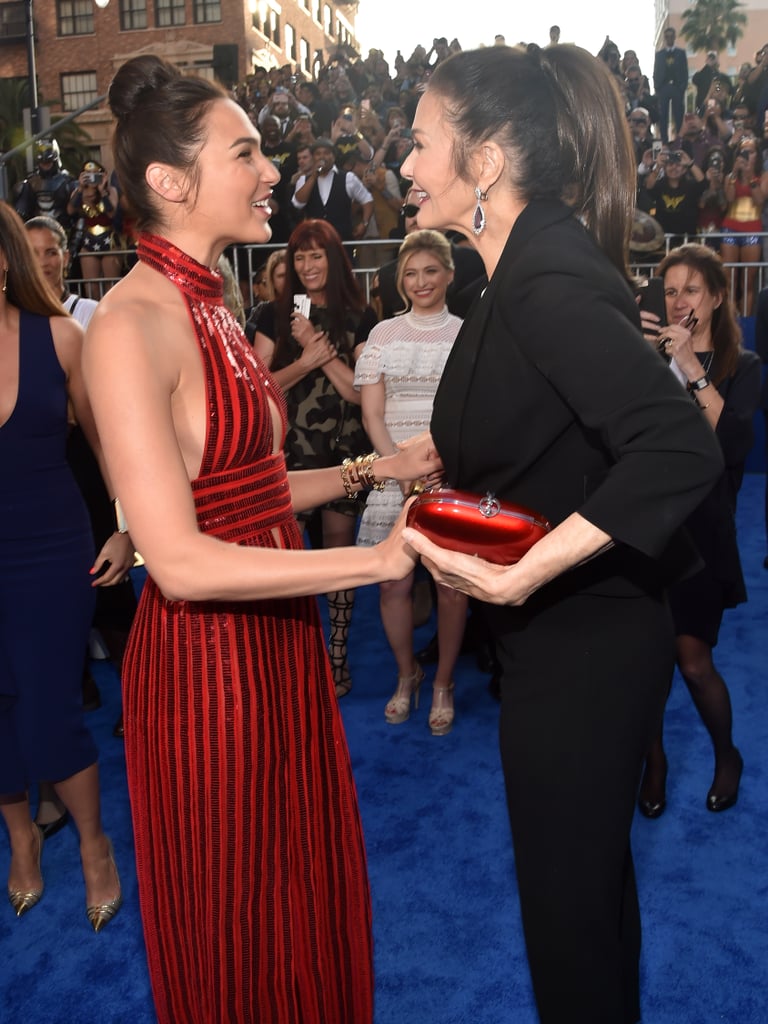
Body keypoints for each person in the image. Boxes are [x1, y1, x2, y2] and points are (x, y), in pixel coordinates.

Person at [83, 54, 441, 1024]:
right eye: (246, 151)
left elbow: (249, 491)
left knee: (299, 890)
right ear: (170, 180)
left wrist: (380, 471)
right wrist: (375, 557)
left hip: (274, 643)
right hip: (211, 671)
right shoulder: (130, 325)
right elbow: (183, 558)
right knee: (239, 913)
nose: (273, 170)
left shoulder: (215, 306)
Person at [398, 44, 722, 1023]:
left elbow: (674, 447)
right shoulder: (515, 279)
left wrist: (521, 571)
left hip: (583, 648)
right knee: (586, 908)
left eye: (420, 143)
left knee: (570, 927)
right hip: (567, 648)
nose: (405, 166)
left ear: (486, 159)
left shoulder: (541, 280)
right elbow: (522, 430)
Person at [0, 203, 133, 929]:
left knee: (50, 709)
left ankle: (92, 844)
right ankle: (21, 840)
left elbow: (112, 441)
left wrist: (125, 527)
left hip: (52, 551)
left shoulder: (60, 337)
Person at [637, 245, 760, 818]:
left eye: (691, 290)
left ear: (715, 297)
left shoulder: (743, 366)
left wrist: (689, 366)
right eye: (669, 291)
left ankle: (726, 754)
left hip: (703, 533)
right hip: (643, 530)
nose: (679, 301)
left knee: (692, 661)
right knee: (645, 665)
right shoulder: (644, 359)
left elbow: (733, 446)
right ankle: (655, 762)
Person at [254, 219, 378, 697]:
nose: (307, 266)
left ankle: (338, 658)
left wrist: (318, 351)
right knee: (286, 555)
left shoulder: (361, 316)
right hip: (287, 451)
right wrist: (303, 360)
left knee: (339, 553)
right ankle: (288, 659)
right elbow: (256, 388)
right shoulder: (272, 315)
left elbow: (356, 391)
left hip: (345, 450)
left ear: (334, 257)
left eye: (316, 255)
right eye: (299, 257)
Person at [355, 230, 467, 734]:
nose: (420, 282)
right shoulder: (382, 335)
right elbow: (373, 414)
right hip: (391, 472)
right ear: (400, 281)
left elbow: (471, 411)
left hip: (449, 472)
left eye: (429, 271)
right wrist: (396, 468)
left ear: (448, 274)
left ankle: (442, 681)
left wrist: (440, 466)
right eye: (410, 273)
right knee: (392, 585)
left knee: (450, 586)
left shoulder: (468, 334)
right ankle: (408, 674)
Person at [66, 160, 122, 299]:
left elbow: (111, 213)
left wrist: (102, 191)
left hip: (109, 240)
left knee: (111, 288)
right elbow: (70, 210)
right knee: (91, 290)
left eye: (94, 175)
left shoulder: (110, 191)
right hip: (89, 241)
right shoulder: (78, 192)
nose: (91, 178)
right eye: (87, 175)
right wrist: (80, 189)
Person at [720, 137, 764, 314]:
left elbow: (760, 199)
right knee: (729, 278)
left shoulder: (764, 175)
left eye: (750, 152)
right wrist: (735, 173)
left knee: (747, 281)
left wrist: (749, 175)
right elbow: (729, 198)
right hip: (730, 226)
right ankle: (729, 319)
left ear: (757, 155)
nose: (746, 155)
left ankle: (745, 317)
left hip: (753, 229)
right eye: (742, 152)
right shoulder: (730, 177)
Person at [14, 138, 74, 227]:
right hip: (37, 232)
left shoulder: (68, 182)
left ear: (55, 161)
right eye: (43, 163)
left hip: (64, 230)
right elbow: (21, 212)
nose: (45, 165)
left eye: (48, 162)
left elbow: (77, 212)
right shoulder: (30, 183)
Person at [654, 26, 689, 144]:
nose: (669, 39)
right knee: (663, 115)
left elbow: (685, 71)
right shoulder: (659, 54)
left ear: (674, 37)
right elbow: (656, 71)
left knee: (678, 114)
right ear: (664, 38)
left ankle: (679, 140)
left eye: (671, 36)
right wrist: (657, 87)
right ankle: (664, 141)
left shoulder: (681, 53)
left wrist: (682, 88)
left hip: (676, 87)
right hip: (663, 87)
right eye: (667, 37)